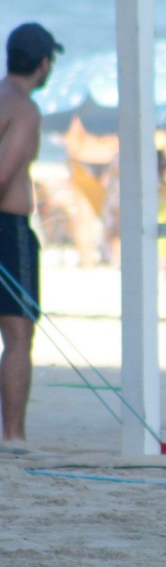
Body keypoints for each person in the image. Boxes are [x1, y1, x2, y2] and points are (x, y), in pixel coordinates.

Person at [0, 23, 62, 446]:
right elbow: (4, 172)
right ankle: (14, 436)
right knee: (19, 334)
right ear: (43, 64)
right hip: (8, 228)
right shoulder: (24, 108)